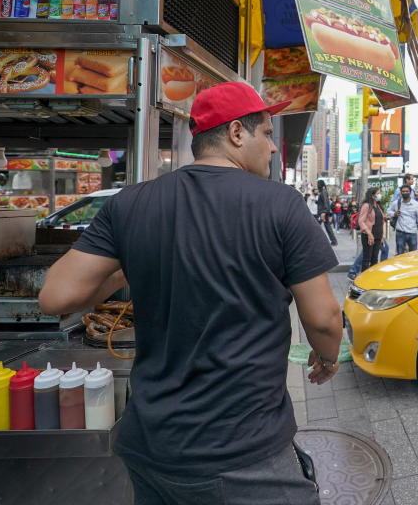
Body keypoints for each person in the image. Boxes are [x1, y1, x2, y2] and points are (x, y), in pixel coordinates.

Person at [38, 82, 341, 504]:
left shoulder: (130, 204)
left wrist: (136, 255)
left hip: (152, 448)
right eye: (268, 134)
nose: (273, 149)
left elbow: (56, 296)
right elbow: (324, 317)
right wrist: (327, 357)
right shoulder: (282, 205)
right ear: (237, 133)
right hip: (244, 453)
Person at [388, 184, 418, 254]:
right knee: (400, 255)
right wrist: (394, 214)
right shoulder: (396, 203)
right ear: (401, 193)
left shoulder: (416, 205)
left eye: (407, 191)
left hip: (412, 233)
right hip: (400, 233)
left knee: (413, 254)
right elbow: (388, 211)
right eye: (403, 191)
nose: (405, 193)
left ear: (410, 192)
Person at [358, 187, 385, 270]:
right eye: (378, 193)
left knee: (375, 259)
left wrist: (382, 236)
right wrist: (369, 234)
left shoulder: (379, 206)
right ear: (373, 196)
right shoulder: (366, 206)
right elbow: (361, 221)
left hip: (378, 235)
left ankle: (372, 280)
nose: (380, 195)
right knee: (367, 259)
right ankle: (363, 280)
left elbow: (381, 221)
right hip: (369, 235)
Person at [317, 181, 338, 246]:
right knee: (323, 226)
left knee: (320, 226)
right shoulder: (322, 191)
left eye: (318, 183)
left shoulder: (323, 192)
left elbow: (326, 202)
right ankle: (333, 241)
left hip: (323, 212)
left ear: (320, 184)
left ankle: (333, 241)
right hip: (322, 212)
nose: (317, 185)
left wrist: (324, 212)